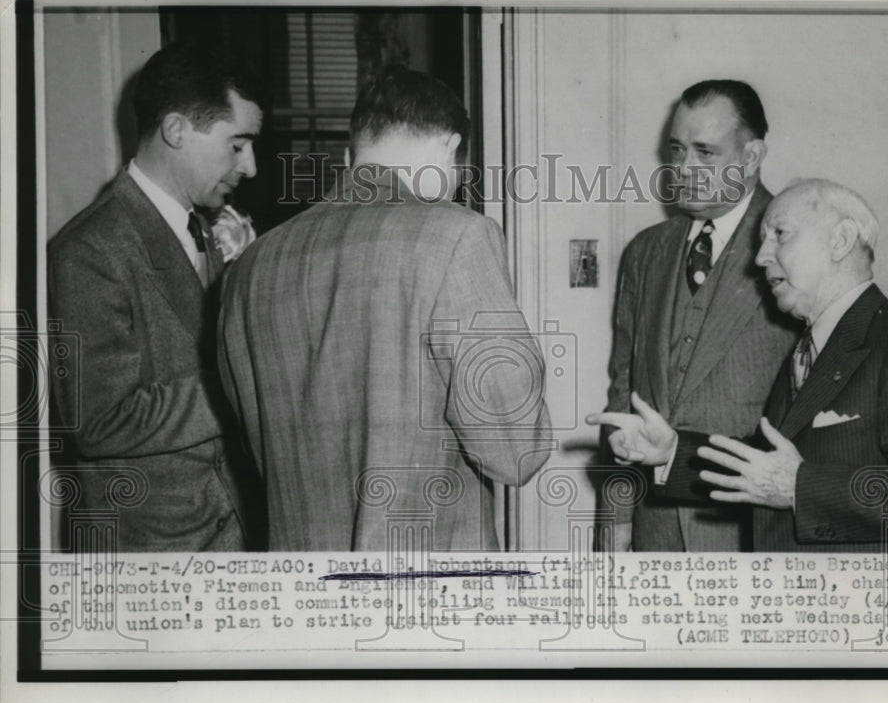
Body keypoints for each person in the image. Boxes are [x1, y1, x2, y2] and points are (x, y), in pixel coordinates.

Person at [218, 66, 553, 552]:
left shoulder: (249, 268)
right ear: (449, 148)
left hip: (300, 598)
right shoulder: (458, 236)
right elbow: (516, 452)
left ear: (354, 153)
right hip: (429, 598)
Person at [588, 179, 888, 553]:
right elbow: (765, 468)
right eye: (761, 240)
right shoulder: (809, 346)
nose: (760, 257)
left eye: (780, 234)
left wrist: (799, 488)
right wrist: (671, 451)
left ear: (840, 241)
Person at [48, 42, 266, 552]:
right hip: (150, 555)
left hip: (227, 538)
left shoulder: (205, 232)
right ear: (176, 131)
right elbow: (99, 421)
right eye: (238, 144)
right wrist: (244, 379)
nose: (250, 165)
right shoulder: (88, 249)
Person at [603, 80, 797, 551]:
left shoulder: (796, 243)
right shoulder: (645, 253)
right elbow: (622, 396)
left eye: (705, 152)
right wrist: (616, 524)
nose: (684, 169)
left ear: (751, 158)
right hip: (654, 535)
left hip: (752, 534)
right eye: (676, 149)